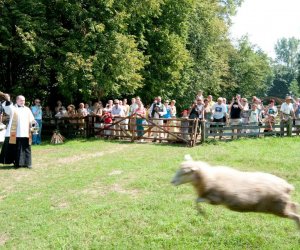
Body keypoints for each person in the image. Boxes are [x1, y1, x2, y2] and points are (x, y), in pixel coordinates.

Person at [0, 94, 35, 168]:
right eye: (21, 100)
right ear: (17, 100)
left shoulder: (27, 109)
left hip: (25, 132)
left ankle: (27, 163)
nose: (23, 102)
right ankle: (16, 163)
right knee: (15, 148)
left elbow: (32, 119)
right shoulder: (12, 108)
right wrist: (8, 100)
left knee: (26, 148)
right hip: (14, 132)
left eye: (24, 100)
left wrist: (33, 124)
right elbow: (7, 108)